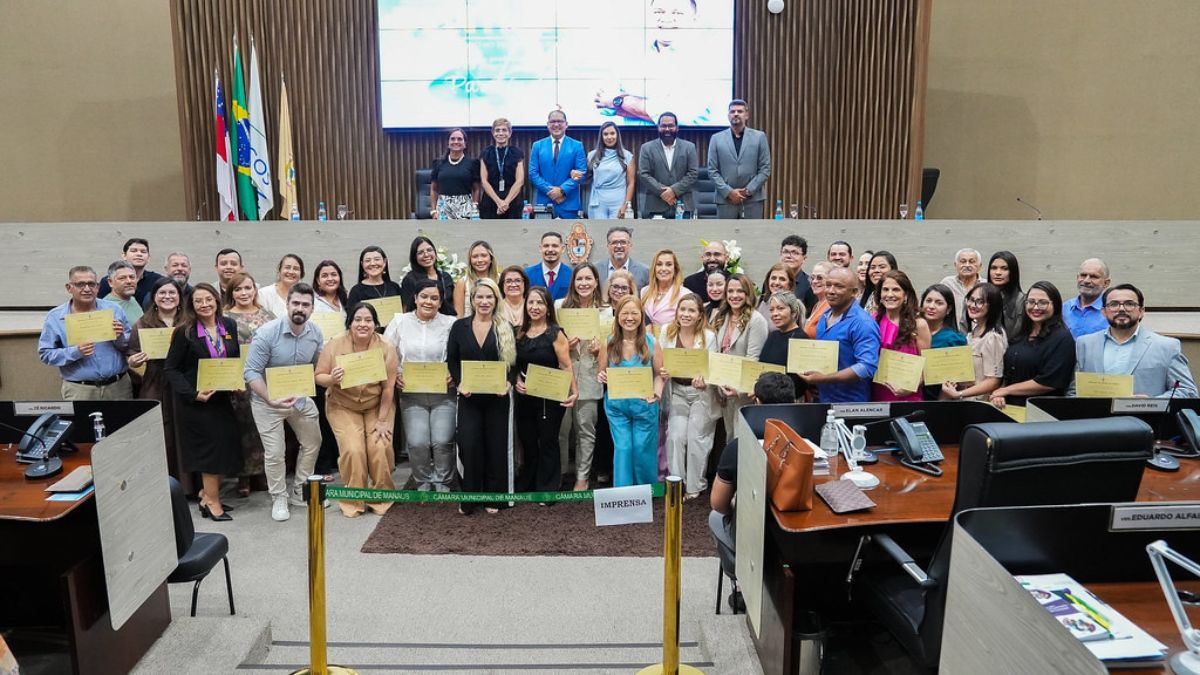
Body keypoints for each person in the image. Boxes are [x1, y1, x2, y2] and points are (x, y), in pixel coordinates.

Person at [709, 371, 796, 613]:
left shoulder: (738, 447)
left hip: (756, 534)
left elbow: (718, 503)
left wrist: (738, 506)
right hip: (796, 532)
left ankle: (742, 582)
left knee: (715, 518)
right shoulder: (810, 437)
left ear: (757, 402)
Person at [243, 282, 324, 522]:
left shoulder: (315, 333)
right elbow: (251, 372)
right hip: (267, 401)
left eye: (305, 305)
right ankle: (279, 496)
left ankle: (300, 490)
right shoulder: (267, 333)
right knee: (275, 453)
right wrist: (270, 397)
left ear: (312, 308)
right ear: (287, 305)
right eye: (295, 303)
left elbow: (316, 367)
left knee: (313, 442)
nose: (300, 308)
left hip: (299, 400)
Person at [163, 282, 242, 521]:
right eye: (198, 301)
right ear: (191, 305)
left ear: (217, 301)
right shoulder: (184, 331)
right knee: (210, 453)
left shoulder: (228, 325)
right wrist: (193, 393)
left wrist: (236, 380)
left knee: (225, 447)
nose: (204, 304)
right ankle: (212, 502)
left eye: (208, 299)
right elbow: (171, 369)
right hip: (197, 403)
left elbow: (234, 358)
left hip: (222, 399)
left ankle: (206, 495)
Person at [316, 302, 398, 517]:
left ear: (376, 324)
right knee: (354, 450)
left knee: (380, 447)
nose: (363, 324)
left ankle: (381, 498)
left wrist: (382, 420)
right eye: (358, 320)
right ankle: (353, 499)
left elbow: (388, 387)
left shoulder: (386, 346)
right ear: (350, 323)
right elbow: (318, 376)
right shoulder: (334, 343)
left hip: (376, 405)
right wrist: (332, 379)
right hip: (342, 405)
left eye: (368, 320)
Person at [446, 278, 517, 515]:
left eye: (489, 297)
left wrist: (508, 383)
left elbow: (513, 364)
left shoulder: (505, 327)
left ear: (496, 300)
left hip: (498, 398)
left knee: (496, 446)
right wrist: (459, 383)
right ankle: (470, 497)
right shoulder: (459, 327)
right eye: (480, 297)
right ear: (472, 299)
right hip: (468, 398)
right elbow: (452, 360)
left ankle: (494, 497)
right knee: (469, 445)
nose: (484, 301)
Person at [384, 280, 458, 492]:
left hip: (443, 393)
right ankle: (422, 481)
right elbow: (386, 353)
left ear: (440, 302)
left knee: (442, 441)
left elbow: (460, 354)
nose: (428, 302)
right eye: (424, 297)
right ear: (415, 298)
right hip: (411, 393)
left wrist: (454, 374)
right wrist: (395, 375)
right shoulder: (400, 322)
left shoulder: (451, 323)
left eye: (434, 298)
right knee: (417, 442)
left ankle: (443, 481)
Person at [1071, 283, 1198, 398]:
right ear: (1104, 312)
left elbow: (1187, 391)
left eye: (1129, 304)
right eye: (1114, 304)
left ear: (1141, 311)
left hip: (1145, 416)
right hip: (1096, 415)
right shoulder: (1084, 344)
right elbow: (1073, 392)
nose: (1121, 309)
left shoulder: (1167, 346)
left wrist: (1151, 403)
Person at [514, 287, 577, 494]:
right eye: (531, 302)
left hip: (550, 398)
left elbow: (566, 365)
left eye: (540, 303)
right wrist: (516, 380)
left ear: (548, 308)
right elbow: (514, 364)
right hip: (525, 396)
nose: (534, 307)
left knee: (548, 441)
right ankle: (529, 483)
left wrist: (574, 392)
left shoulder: (555, 334)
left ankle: (548, 487)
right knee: (528, 442)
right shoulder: (519, 332)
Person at [599, 296, 666, 487]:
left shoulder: (652, 342)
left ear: (641, 316)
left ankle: (645, 491)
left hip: (645, 406)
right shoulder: (608, 343)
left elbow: (659, 375)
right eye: (625, 313)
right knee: (623, 448)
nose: (629, 318)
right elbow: (601, 373)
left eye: (634, 313)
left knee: (641, 449)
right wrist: (601, 377)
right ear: (617, 316)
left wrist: (657, 394)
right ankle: (624, 493)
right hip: (617, 407)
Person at [39, 266, 132, 400]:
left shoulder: (114, 310)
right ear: (69, 287)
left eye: (91, 284)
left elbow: (130, 345)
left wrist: (120, 337)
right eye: (80, 284)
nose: (87, 289)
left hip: (118, 387)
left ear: (98, 287)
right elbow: (46, 354)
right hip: (80, 390)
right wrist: (76, 352)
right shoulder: (55, 317)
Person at [127, 277, 186, 489]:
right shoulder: (142, 323)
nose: (167, 297)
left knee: (186, 433)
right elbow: (131, 354)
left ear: (179, 297)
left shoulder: (190, 321)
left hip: (185, 385)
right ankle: (163, 485)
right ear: (154, 297)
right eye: (162, 293)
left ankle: (190, 486)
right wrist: (133, 361)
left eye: (172, 293)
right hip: (156, 384)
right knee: (162, 435)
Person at [556, 264, 610, 491]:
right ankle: (559, 474)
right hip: (563, 377)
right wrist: (564, 347)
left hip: (590, 375)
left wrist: (600, 351)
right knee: (561, 430)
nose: (584, 283)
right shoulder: (559, 307)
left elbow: (612, 350)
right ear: (573, 282)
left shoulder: (606, 312)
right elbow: (548, 342)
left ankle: (582, 477)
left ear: (596, 282)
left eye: (589, 278)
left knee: (586, 431)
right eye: (579, 279)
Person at [659, 293, 716, 498]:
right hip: (676, 392)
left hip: (701, 393)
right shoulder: (667, 332)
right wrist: (662, 371)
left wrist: (704, 381)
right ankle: (677, 484)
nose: (686, 314)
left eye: (691, 310)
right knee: (675, 436)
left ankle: (695, 486)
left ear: (700, 315)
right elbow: (660, 362)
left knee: (696, 438)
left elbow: (713, 369)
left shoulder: (709, 336)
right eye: (682, 309)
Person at [221, 271, 272, 497]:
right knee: (242, 429)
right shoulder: (223, 317)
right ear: (231, 293)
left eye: (247, 288)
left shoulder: (267, 315)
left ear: (255, 290)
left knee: (263, 426)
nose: (243, 293)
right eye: (238, 289)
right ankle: (244, 475)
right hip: (237, 381)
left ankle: (263, 472)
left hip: (263, 379)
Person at [990, 281, 1076, 408]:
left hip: (1041, 410)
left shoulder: (1062, 338)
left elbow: (1049, 382)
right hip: (1011, 408)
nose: (1035, 307)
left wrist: (1007, 390)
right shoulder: (1021, 334)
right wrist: (1000, 394)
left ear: (1056, 305)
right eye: (1030, 302)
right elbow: (1008, 373)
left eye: (1043, 303)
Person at [804, 266, 881, 403]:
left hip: (851, 405)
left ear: (854, 292)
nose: (831, 291)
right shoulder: (824, 316)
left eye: (839, 286)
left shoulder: (863, 323)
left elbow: (867, 367)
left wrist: (824, 379)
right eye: (828, 285)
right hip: (823, 400)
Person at [711, 273, 769, 435]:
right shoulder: (720, 316)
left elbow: (753, 359)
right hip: (723, 389)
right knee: (730, 438)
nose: (734, 295)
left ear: (748, 293)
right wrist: (717, 385)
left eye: (740, 291)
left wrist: (739, 389)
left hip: (742, 393)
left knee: (741, 439)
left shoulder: (756, 320)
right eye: (730, 291)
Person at [707, 99, 772, 219]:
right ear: (728, 115)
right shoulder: (716, 139)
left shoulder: (759, 137)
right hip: (726, 200)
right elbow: (712, 171)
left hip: (752, 199)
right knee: (725, 232)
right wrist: (729, 192)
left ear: (746, 115)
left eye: (740, 111)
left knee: (752, 232)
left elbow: (765, 169)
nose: (736, 114)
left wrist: (747, 191)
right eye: (732, 111)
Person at [871, 271, 930, 402]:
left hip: (908, 397)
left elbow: (927, 367)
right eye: (885, 289)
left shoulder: (919, 324)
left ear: (906, 295)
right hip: (877, 394)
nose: (890, 294)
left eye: (896, 290)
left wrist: (910, 387)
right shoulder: (873, 321)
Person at [942, 282, 1008, 401]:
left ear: (993, 306)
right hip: (965, 400)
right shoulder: (972, 333)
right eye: (971, 300)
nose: (973, 305)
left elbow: (993, 381)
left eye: (980, 302)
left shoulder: (993, 336)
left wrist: (959, 394)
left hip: (980, 403)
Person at [637, 112, 699, 218]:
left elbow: (693, 173)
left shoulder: (689, 147)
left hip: (683, 205)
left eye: (670, 126)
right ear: (658, 128)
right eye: (663, 126)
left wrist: (673, 191)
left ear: (677, 128)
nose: (667, 129)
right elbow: (643, 174)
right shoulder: (646, 148)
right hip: (655, 205)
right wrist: (663, 192)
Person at [528, 109, 587, 219]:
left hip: (568, 204)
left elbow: (581, 174)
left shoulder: (577, 146)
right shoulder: (537, 146)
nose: (556, 124)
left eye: (560, 121)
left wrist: (562, 190)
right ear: (547, 124)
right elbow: (533, 174)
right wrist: (551, 192)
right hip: (544, 204)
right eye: (553, 121)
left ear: (566, 124)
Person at [920, 283, 967, 399]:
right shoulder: (910, 332)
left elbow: (958, 379)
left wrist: (940, 403)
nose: (931, 306)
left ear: (949, 309)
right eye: (928, 301)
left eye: (939, 303)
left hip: (938, 400)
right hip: (908, 397)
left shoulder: (954, 339)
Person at [759, 290, 807, 399]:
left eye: (780, 308)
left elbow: (799, 383)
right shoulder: (773, 335)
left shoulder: (801, 339)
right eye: (771, 310)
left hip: (787, 401)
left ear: (793, 312)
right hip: (766, 398)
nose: (775, 314)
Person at [585, 121, 636, 219]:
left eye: (612, 133)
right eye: (605, 134)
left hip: (618, 201)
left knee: (617, 229)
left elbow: (631, 183)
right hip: (597, 202)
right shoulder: (591, 155)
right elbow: (585, 178)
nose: (609, 137)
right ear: (601, 137)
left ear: (617, 135)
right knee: (597, 229)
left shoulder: (627, 156)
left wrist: (626, 205)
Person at [429, 127, 481, 220]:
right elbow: (433, 189)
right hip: (443, 210)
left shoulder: (473, 163)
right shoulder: (438, 163)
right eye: (452, 139)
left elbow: (476, 189)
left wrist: (475, 208)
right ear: (448, 143)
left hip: (465, 209)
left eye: (459, 139)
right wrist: (433, 211)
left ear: (465, 143)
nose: (456, 141)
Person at [478, 118, 525, 220]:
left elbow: (520, 181)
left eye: (504, 130)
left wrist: (506, 202)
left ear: (510, 133)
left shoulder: (517, 152)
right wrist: (499, 202)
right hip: (490, 201)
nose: (500, 133)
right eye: (497, 130)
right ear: (493, 133)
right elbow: (484, 181)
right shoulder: (485, 153)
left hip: (512, 201)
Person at [97, 237, 165, 305]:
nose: (139, 254)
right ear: (124, 255)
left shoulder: (158, 281)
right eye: (134, 251)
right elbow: (99, 306)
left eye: (143, 252)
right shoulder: (109, 281)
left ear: (148, 258)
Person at [399, 236, 455, 316]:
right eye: (420, 252)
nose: (426, 254)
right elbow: (407, 310)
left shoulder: (445, 277)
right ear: (414, 257)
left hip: (446, 321)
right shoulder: (410, 280)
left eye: (429, 250)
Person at [1063, 258, 1111, 338]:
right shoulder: (1064, 309)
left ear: (1106, 283)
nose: (1086, 281)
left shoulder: (1112, 311)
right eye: (1083, 275)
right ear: (1077, 278)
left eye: (1093, 276)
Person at [595, 225, 651, 290]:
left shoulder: (644, 272)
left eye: (623, 242)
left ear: (630, 245)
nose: (619, 246)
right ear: (608, 246)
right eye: (614, 242)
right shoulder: (596, 269)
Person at [939, 248, 981, 332]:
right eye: (963, 261)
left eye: (972, 262)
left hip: (980, 334)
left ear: (980, 266)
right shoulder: (947, 283)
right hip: (953, 334)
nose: (967, 265)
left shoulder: (986, 285)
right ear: (955, 265)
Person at [453, 241, 499, 317]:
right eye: (475, 256)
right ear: (470, 260)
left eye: (484, 255)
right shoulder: (463, 283)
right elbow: (459, 315)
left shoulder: (500, 279)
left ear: (491, 258)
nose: (479, 260)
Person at [641, 249, 685, 327]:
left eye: (668, 264)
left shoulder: (685, 294)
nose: (663, 269)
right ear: (654, 268)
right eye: (659, 264)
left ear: (675, 269)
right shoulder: (644, 291)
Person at [524, 232, 572, 301]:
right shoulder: (527, 274)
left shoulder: (571, 275)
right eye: (546, 246)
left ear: (562, 249)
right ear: (540, 248)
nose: (550, 250)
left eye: (555, 246)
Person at [987, 250, 1025, 338]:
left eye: (1004, 268)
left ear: (1013, 272)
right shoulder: (980, 297)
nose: (998, 273)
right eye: (994, 268)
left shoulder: (1021, 300)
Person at [258, 254, 304, 319]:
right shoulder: (264, 294)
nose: (291, 272)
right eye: (287, 267)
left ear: (301, 274)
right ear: (279, 270)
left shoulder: (306, 296)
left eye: (296, 269)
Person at [779, 235, 817, 311]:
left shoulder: (810, 285)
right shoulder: (771, 281)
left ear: (804, 258)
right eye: (786, 252)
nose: (789, 256)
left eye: (795, 253)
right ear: (780, 254)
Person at [755, 263, 796, 332]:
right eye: (773, 278)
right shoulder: (763, 303)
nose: (777, 283)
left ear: (790, 284)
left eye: (782, 279)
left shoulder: (793, 307)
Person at [804, 262, 833, 338]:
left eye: (819, 278)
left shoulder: (831, 307)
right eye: (812, 278)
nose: (814, 281)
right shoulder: (817, 305)